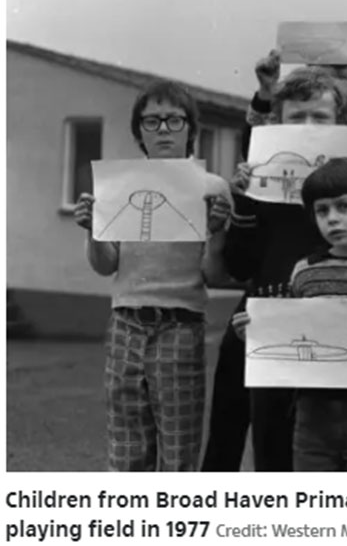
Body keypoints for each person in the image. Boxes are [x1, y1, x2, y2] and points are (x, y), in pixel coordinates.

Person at [203, 56, 347, 472]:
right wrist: (244, 203)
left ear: (341, 123)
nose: (307, 126)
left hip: (331, 324)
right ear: (278, 124)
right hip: (267, 317)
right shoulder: (262, 176)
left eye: (319, 117)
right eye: (296, 117)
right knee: (251, 447)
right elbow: (240, 266)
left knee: (316, 450)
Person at [73, 80, 232, 471]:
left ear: (190, 129)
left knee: (179, 451)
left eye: (174, 120)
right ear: (139, 132)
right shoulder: (118, 185)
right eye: (152, 121)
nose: (163, 129)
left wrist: (217, 233)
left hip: (180, 324)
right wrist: (93, 230)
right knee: (126, 447)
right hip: (125, 323)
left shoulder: (211, 188)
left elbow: (213, 274)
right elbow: (106, 265)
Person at [233, 158, 347, 471]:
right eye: (322, 210)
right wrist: (256, 337)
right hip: (310, 417)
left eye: (344, 206)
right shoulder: (303, 272)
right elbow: (290, 348)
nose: (333, 218)